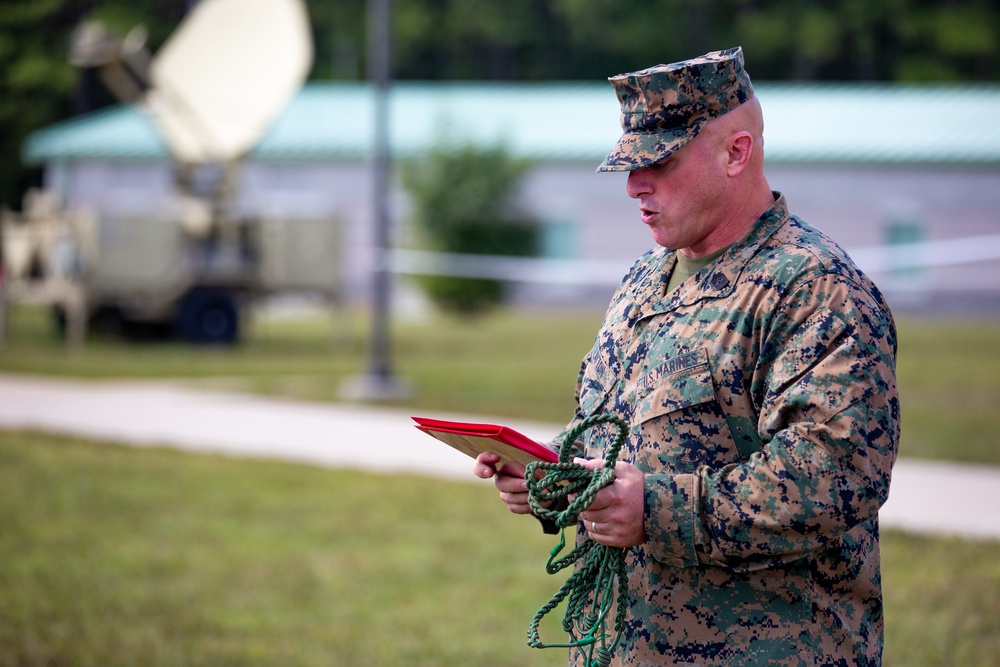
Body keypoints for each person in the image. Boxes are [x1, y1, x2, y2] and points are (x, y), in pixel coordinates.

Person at [474, 47, 900, 666]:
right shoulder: (646, 280)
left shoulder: (815, 290)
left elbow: (834, 474)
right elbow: (620, 437)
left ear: (736, 152)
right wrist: (552, 475)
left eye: (661, 162)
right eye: (629, 165)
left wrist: (656, 510)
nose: (633, 186)